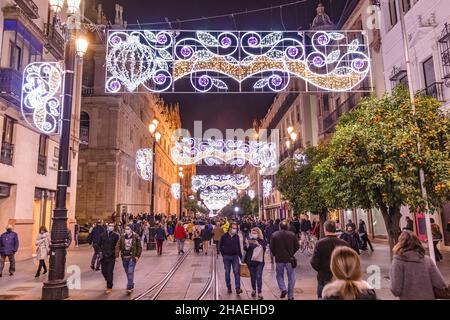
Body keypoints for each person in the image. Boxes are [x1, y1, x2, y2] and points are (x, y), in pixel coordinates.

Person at [390, 231, 447, 300]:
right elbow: (440, 284)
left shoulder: (398, 262)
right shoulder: (427, 260)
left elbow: (396, 290)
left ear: (400, 244)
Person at [310, 220, 350, 298]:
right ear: (335, 229)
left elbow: (314, 262)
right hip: (340, 278)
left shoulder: (320, 243)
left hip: (324, 278)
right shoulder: (344, 244)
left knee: (322, 297)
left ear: (325, 229)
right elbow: (349, 263)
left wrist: (321, 270)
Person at [270, 221, 299, 300]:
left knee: (279, 275)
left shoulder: (274, 235)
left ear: (279, 227)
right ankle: (290, 296)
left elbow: (271, 247)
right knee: (291, 277)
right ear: (287, 227)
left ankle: (283, 288)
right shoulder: (292, 235)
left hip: (279, 258)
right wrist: (292, 253)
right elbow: (297, 246)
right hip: (289, 259)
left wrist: (275, 254)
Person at [117, 225, 142, 294]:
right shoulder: (122, 236)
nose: (126, 230)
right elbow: (118, 245)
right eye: (125, 229)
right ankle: (131, 283)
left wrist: (137, 256)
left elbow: (139, 247)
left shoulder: (136, 236)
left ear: (131, 229)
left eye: (128, 229)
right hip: (124, 257)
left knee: (130, 271)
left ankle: (129, 287)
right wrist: (116, 255)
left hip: (132, 257)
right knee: (127, 272)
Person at [219, 223, 243, 294]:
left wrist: (241, 257)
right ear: (229, 228)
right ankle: (229, 287)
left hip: (235, 256)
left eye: (235, 228)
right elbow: (220, 246)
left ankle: (237, 288)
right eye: (233, 228)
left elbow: (238, 246)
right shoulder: (224, 236)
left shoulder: (236, 236)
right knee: (227, 272)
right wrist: (223, 254)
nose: (234, 230)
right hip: (226, 257)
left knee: (237, 272)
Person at [244, 227, 266, 300]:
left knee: (258, 276)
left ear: (258, 234)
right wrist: (246, 244)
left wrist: (259, 245)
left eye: (255, 233)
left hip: (259, 262)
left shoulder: (262, 241)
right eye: (252, 233)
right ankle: (254, 289)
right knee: (253, 277)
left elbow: (264, 249)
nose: (253, 234)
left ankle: (259, 292)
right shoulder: (250, 241)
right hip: (250, 261)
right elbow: (246, 249)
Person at [99, 222, 120, 293]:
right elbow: (99, 244)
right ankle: (108, 280)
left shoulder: (116, 235)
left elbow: (118, 246)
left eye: (112, 226)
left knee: (110, 272)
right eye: (109, 225)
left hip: (111, 256)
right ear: (107, 226)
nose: (110, 227)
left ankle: (109, 287)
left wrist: (116, 254)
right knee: (103, 271)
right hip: (103, 257)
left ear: (113, 227)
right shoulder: (102, 235)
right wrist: (99, 252)